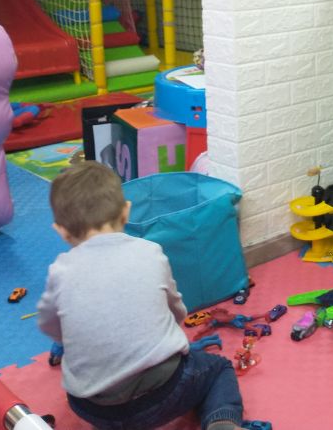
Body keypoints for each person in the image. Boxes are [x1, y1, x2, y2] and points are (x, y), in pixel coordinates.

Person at [37, 161, 243, 430]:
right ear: (126, 212)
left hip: (93, 408)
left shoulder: (59, 271)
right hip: (165, 394)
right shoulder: (150, 251)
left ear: (61, 230)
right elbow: (177, 311)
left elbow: (50, 326)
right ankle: (221, 422)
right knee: (218, 370)